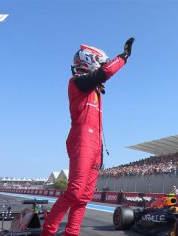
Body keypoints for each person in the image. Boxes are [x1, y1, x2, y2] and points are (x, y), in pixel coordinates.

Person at [41, 38, 135, 236]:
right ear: (90, 61)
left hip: (95, 144)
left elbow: (102, 76)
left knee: (84, 197)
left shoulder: (94, 90)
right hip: (82, 139)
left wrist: (100, 154)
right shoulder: (77, 82)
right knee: (74, 192)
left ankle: (71, 233)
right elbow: (105, 72)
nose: (102, 66)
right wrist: (123, 57)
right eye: (100, 62)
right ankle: (48, 232)